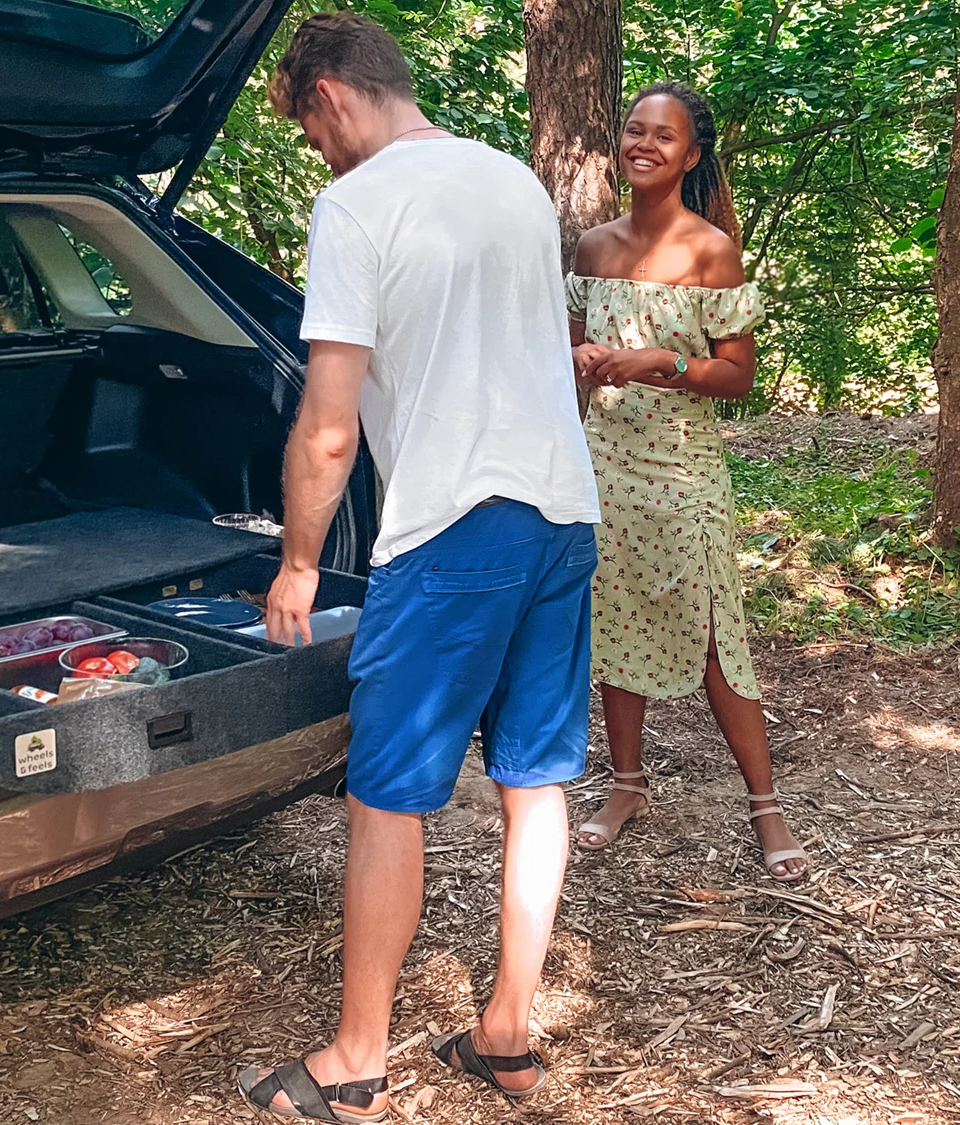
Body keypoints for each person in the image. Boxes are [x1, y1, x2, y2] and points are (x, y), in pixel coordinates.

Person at [236, 13, 602, 1122]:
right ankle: (503, 1035)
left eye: (306, 128)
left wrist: (298, 564)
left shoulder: (357, 202)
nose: (316, 152)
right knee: (533, 783)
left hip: (451, 528)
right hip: (561, 512)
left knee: (386, 797)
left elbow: (328, 423)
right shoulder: (508, 181)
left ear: (329, 97)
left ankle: (354, 1060)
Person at [567, 82, 811, 882]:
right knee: (616, 621)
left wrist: (661, 363)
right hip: (606, 465)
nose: (643, 144)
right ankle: (627, 784)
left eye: (662, 136)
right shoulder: (594, 248)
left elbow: (739, 378)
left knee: (713, 634)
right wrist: (578, 370)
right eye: (634, 130)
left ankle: (765, 802)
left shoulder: (712, 251)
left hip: (684, 471)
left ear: (691, 155)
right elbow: (568, 362)